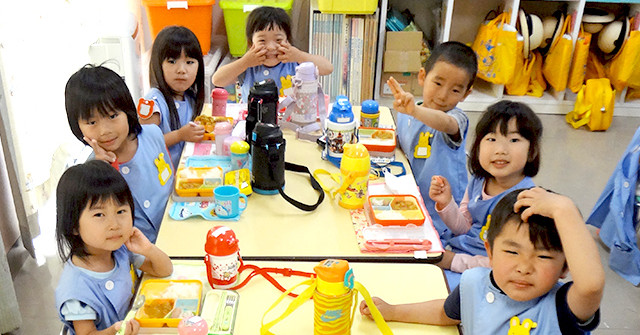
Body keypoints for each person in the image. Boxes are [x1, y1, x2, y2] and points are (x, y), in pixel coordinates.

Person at [361, 187, 604, 334]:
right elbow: (446, 313)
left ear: (565, 267)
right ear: (489, 251)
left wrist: (564, 209)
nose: (524, 268)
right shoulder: (473, 282)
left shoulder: (562, 308)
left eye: (542, 256)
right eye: (512, 252)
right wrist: (393, 311)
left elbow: (591, 285)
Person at [55, 160, 173, 335]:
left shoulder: (119, 249)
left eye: (120, 212)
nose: (114, 224)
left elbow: (164, 269)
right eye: (99, 214)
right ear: (73, 225)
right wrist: (114, 332)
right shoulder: (76, 289)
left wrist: (148, 249)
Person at [429, 100, 543, 273]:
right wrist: (446, 203)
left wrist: (452, 261)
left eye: (514, 139)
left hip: (483, 273)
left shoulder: (524, 201)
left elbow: (506, 264)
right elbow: (464, 228)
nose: (500, 149)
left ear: (532, 151)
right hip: (457, 253)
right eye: (491, 138)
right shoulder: (479, 179)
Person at [65, 64, 174, 243]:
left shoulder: (153, 134)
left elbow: (172, 182)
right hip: (137, 253)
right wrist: (103, 170)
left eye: (113, 116)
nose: (105, 131)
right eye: (92, 122)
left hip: (176, 227)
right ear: (78, 127)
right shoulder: (91, 174)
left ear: (127, 111)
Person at [391, 41, 477, 244]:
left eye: (455, 90)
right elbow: (404, 141)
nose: (443, 95)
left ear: (466, 94)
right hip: (415, 197)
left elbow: (447, 124)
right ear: (422, 76)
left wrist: (415, 111)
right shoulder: (410, 110)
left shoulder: (457, 118)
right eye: (438, 83)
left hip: (445, 213)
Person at [212, 6, 333, 102]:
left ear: (288, 41)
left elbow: (328, 68)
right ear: (250, 44)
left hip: (289, 120)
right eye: (262, 41)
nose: (271, 47)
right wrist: (244, 62)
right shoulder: (248, 66)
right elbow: (217, 80)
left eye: (278, 40)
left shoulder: (295, 63)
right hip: (256, 122)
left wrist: (299, 56)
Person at [141, 25, 205, 168]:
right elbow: (144, 144)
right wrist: (180, 135)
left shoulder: (189, 98)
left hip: (186, 173)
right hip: (163, 180)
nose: (181, 70)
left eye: (189, 62)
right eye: (172, 61)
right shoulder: (152, 102)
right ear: (158, 64)